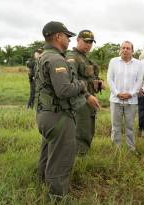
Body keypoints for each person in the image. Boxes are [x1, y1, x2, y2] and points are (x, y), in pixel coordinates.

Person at [36, 21, 93, 198]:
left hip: (46, 114)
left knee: (48, 154)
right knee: (61, 160)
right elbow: (64, 90)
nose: (69, 40)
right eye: (67, 36)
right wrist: (82, 84)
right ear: (58, 36)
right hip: (58, 116)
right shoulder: (56, 59)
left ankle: (42, 186)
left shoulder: (44, 56)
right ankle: (58, 197)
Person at [66, 29, 103, 155]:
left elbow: (88, 78)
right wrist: (87, 96)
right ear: (78, 40)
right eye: (86, 41)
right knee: (82, 131)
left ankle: (83, 155)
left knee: (88, 129)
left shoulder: (84, 58)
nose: (89, 45)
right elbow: (72, 80)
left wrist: (98, 82)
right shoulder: (72, 58)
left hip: (88, 100)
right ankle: (79, 158)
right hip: (80, 101)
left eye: (91, 42)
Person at [107, 41, 142, 151]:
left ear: (132, 51)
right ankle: (116, 149)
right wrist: (117, 93)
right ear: (120, 49)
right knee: (115, 126)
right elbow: (109, 79)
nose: (125, 50)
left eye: (128, 48)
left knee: (130, 126)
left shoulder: (138, 64)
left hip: (131, 101)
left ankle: (131, 148)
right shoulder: (113, 62)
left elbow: (139, 81)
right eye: (123, 48)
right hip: (116, 100)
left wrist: (131, 94)